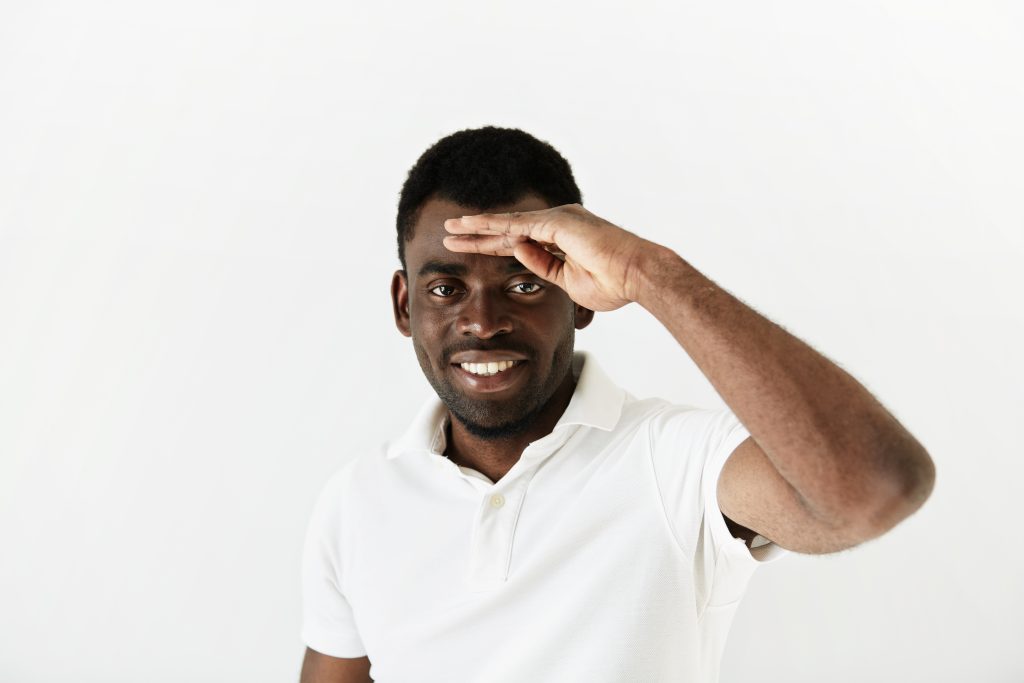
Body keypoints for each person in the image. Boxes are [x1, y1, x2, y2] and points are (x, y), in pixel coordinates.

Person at [299, 126, 935, 683]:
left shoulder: (675, 463)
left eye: (524, 283)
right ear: (405, 305)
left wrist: (643, 271)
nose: (483, 322)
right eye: (445, 287)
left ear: (579, 296)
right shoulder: (356, 500)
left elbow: (874, 489)